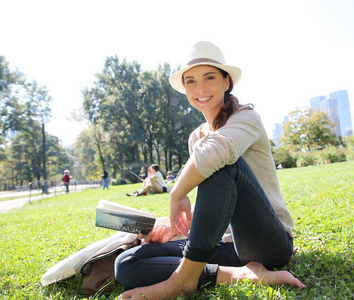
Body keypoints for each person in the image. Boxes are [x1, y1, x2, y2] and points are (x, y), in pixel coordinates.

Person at [116, 41, 304, 300]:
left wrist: (175, 194)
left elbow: (216, 154)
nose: (200, 88)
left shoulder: (246, 117)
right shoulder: (196, 137)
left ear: (226, 82)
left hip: (266, 241)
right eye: (190, 81)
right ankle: (237, 275)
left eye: (209, 78)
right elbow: (215, 203)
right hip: (221, 245)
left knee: (224, 164)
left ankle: (182, 280)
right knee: (127, 263)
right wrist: (175, 228)